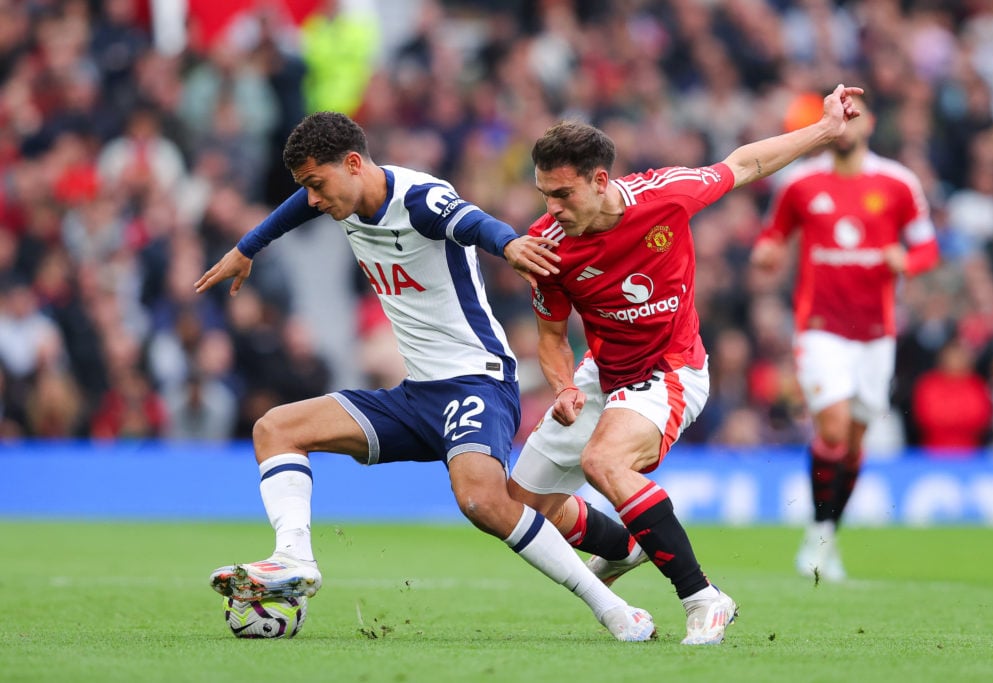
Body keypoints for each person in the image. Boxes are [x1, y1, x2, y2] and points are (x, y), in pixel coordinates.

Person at [193, 111, 655, 642]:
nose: (314, 200)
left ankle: (613, 608)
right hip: (417, 395)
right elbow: (300, 204)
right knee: (275, 428)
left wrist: (508, 245)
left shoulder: (417, 197)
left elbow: (472, 221)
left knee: (483, 499)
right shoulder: (339, 195)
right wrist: (246, 249)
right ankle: (294, 560)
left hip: (476, 381)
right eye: (307, 188)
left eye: (317, 184)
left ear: (352, 164)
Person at [506, 84, 865, 646]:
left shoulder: (666, 196)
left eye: (562, 194)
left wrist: (824, 130)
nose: (551, 208)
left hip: (670, 370)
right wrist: (560, 386)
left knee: (605, 461)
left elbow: (743, 164)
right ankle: (628, 545)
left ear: (601, 181)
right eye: (543, 194)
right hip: (601, 375)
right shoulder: (546, 245)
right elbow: (552, 335)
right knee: (521, 507)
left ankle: (704, 599)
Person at [750, 93, 939, 580]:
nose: (847, 123)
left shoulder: (898, 183)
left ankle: (824, 537)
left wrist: (908, 262)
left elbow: (927, 248)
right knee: (831, 429)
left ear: (870, 122)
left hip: (876, 334)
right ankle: (816, 537)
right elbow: (774, 234)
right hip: (820, 329)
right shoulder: (800, 183)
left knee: (853, 446)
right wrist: (767, 253)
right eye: (840, 116)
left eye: (856, 114)